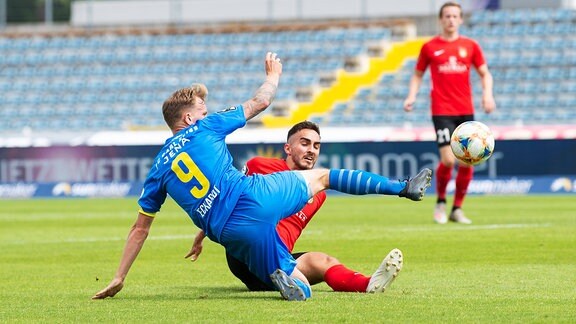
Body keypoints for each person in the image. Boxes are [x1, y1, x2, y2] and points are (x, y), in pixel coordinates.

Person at [93, 52, 432, 302]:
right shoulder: (205, 128)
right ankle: (402, 187)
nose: (207, 114)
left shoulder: (157, 170)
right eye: (202, 110)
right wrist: (273, 76)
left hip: (229, 234)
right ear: (188, 118)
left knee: (295, 277)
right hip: (252, 195)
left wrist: (119, 276)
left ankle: (292, 284)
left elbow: (140, 228)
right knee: (324, 178)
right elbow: (260, 101)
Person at [186, 120, 404, 294]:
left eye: (316, 146)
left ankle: (367, 284)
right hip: (245, 251)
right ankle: (285, 276)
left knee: (321, 261)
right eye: (305, 143)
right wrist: (202, 234)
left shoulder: (318, 193)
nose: (312, 150)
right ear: (288, 148)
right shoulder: (259, 166)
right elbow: (227, 199)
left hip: (280, 257)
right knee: (261, 229)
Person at [403, 2, 495, 225]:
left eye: (455, 16)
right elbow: (417, 75)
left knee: (466, 162)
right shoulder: (430, 47)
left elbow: (485, 74)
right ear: (441, 20)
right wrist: (411, 96)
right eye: (447, 16)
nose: (451, 19)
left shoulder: (470, 46)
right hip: (442, 110)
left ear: (460, 20)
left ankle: (457, 208)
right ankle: (441, 203)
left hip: (466, 111)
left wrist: (488, 95)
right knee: (447, 159)